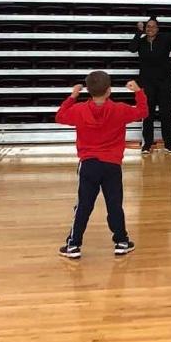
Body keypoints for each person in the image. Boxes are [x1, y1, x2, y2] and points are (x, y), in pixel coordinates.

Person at [56, 71, 148, 259]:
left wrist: (73, 96)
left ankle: (73, 244)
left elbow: (60, 116)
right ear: (109, 91)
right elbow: (143, 111)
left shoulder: (79, 110)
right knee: (114, 204)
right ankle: (121, 241)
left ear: (88, 90)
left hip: (89, 164)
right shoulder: (120, 109)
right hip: (112, 165)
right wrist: (138, 91)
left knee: (83, 205)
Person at [128, 16, 171, 155]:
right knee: (147, 113)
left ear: (157, 29)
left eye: (153, 26)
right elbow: (131, 48)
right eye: (148, 26)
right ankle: (147, 144)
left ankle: (168, 143)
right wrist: (138, 32)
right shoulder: (141, 42)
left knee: (166, 113)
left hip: (165, 82)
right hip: (147, 82)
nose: (150, 29)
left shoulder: (165, 38)